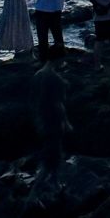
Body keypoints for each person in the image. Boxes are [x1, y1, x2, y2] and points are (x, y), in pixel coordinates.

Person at [31, 57, 70, 197]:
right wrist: (65, 122)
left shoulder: (38, 75)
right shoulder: (56, 80)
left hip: (42, 120)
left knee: (53, 155)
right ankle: (33, 195)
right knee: (50, 159)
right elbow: (59, 104)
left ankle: (55, 183)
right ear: (58, 60)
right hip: (54, 122)